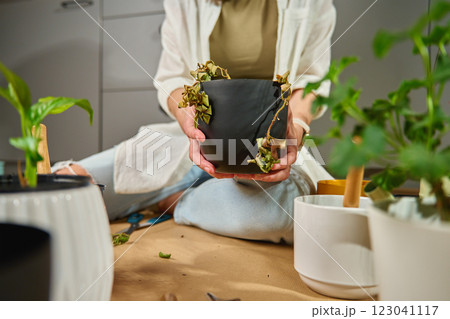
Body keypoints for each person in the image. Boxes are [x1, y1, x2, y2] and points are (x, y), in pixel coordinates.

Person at [54, 0, 336, 244]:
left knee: (283, 215)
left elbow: (312, 81)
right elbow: (172, 79)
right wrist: (186, 115)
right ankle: (196, 192)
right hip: (189, 140)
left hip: (267, 145)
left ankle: (174, 200)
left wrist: (295, 126)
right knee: (67, 186)